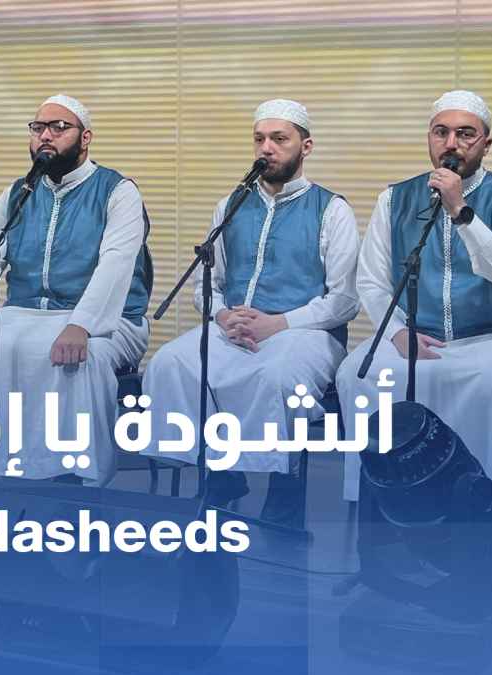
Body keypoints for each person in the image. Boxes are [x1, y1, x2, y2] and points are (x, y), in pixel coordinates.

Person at [140, 99, 360, 525]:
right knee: (171, 362)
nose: (267, 148)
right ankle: (220, 472)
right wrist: (222, 315)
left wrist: (278, 323)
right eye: (259, 139)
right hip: (234, 326)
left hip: (306, 332)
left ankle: (284, 484)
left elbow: (345, 300)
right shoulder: (231, 206)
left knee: (277, 376)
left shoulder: (332, 209)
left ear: (306, 146)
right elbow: (207, 285)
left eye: (279, 139)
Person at [338, 90, 492, 530]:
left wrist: (461, 211)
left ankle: (489, 510)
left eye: (465, 134)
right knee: (357, 373)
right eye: (441, 132)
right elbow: (372, 281)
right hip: (418, 335)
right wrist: (397, 332)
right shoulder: (395, 199)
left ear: (486, 144)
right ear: (430, 139)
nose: (451, 143)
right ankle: (385, 507)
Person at [0, 94, 152, 486]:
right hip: (25, 312)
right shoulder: (20, 192)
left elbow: (116, 264)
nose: (45, 136)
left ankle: (72, 475)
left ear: (85, 138)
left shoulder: (118, 191)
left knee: (79, 358)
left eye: (58, 128)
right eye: (38, 128)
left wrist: (81, 325)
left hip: (112, 319)